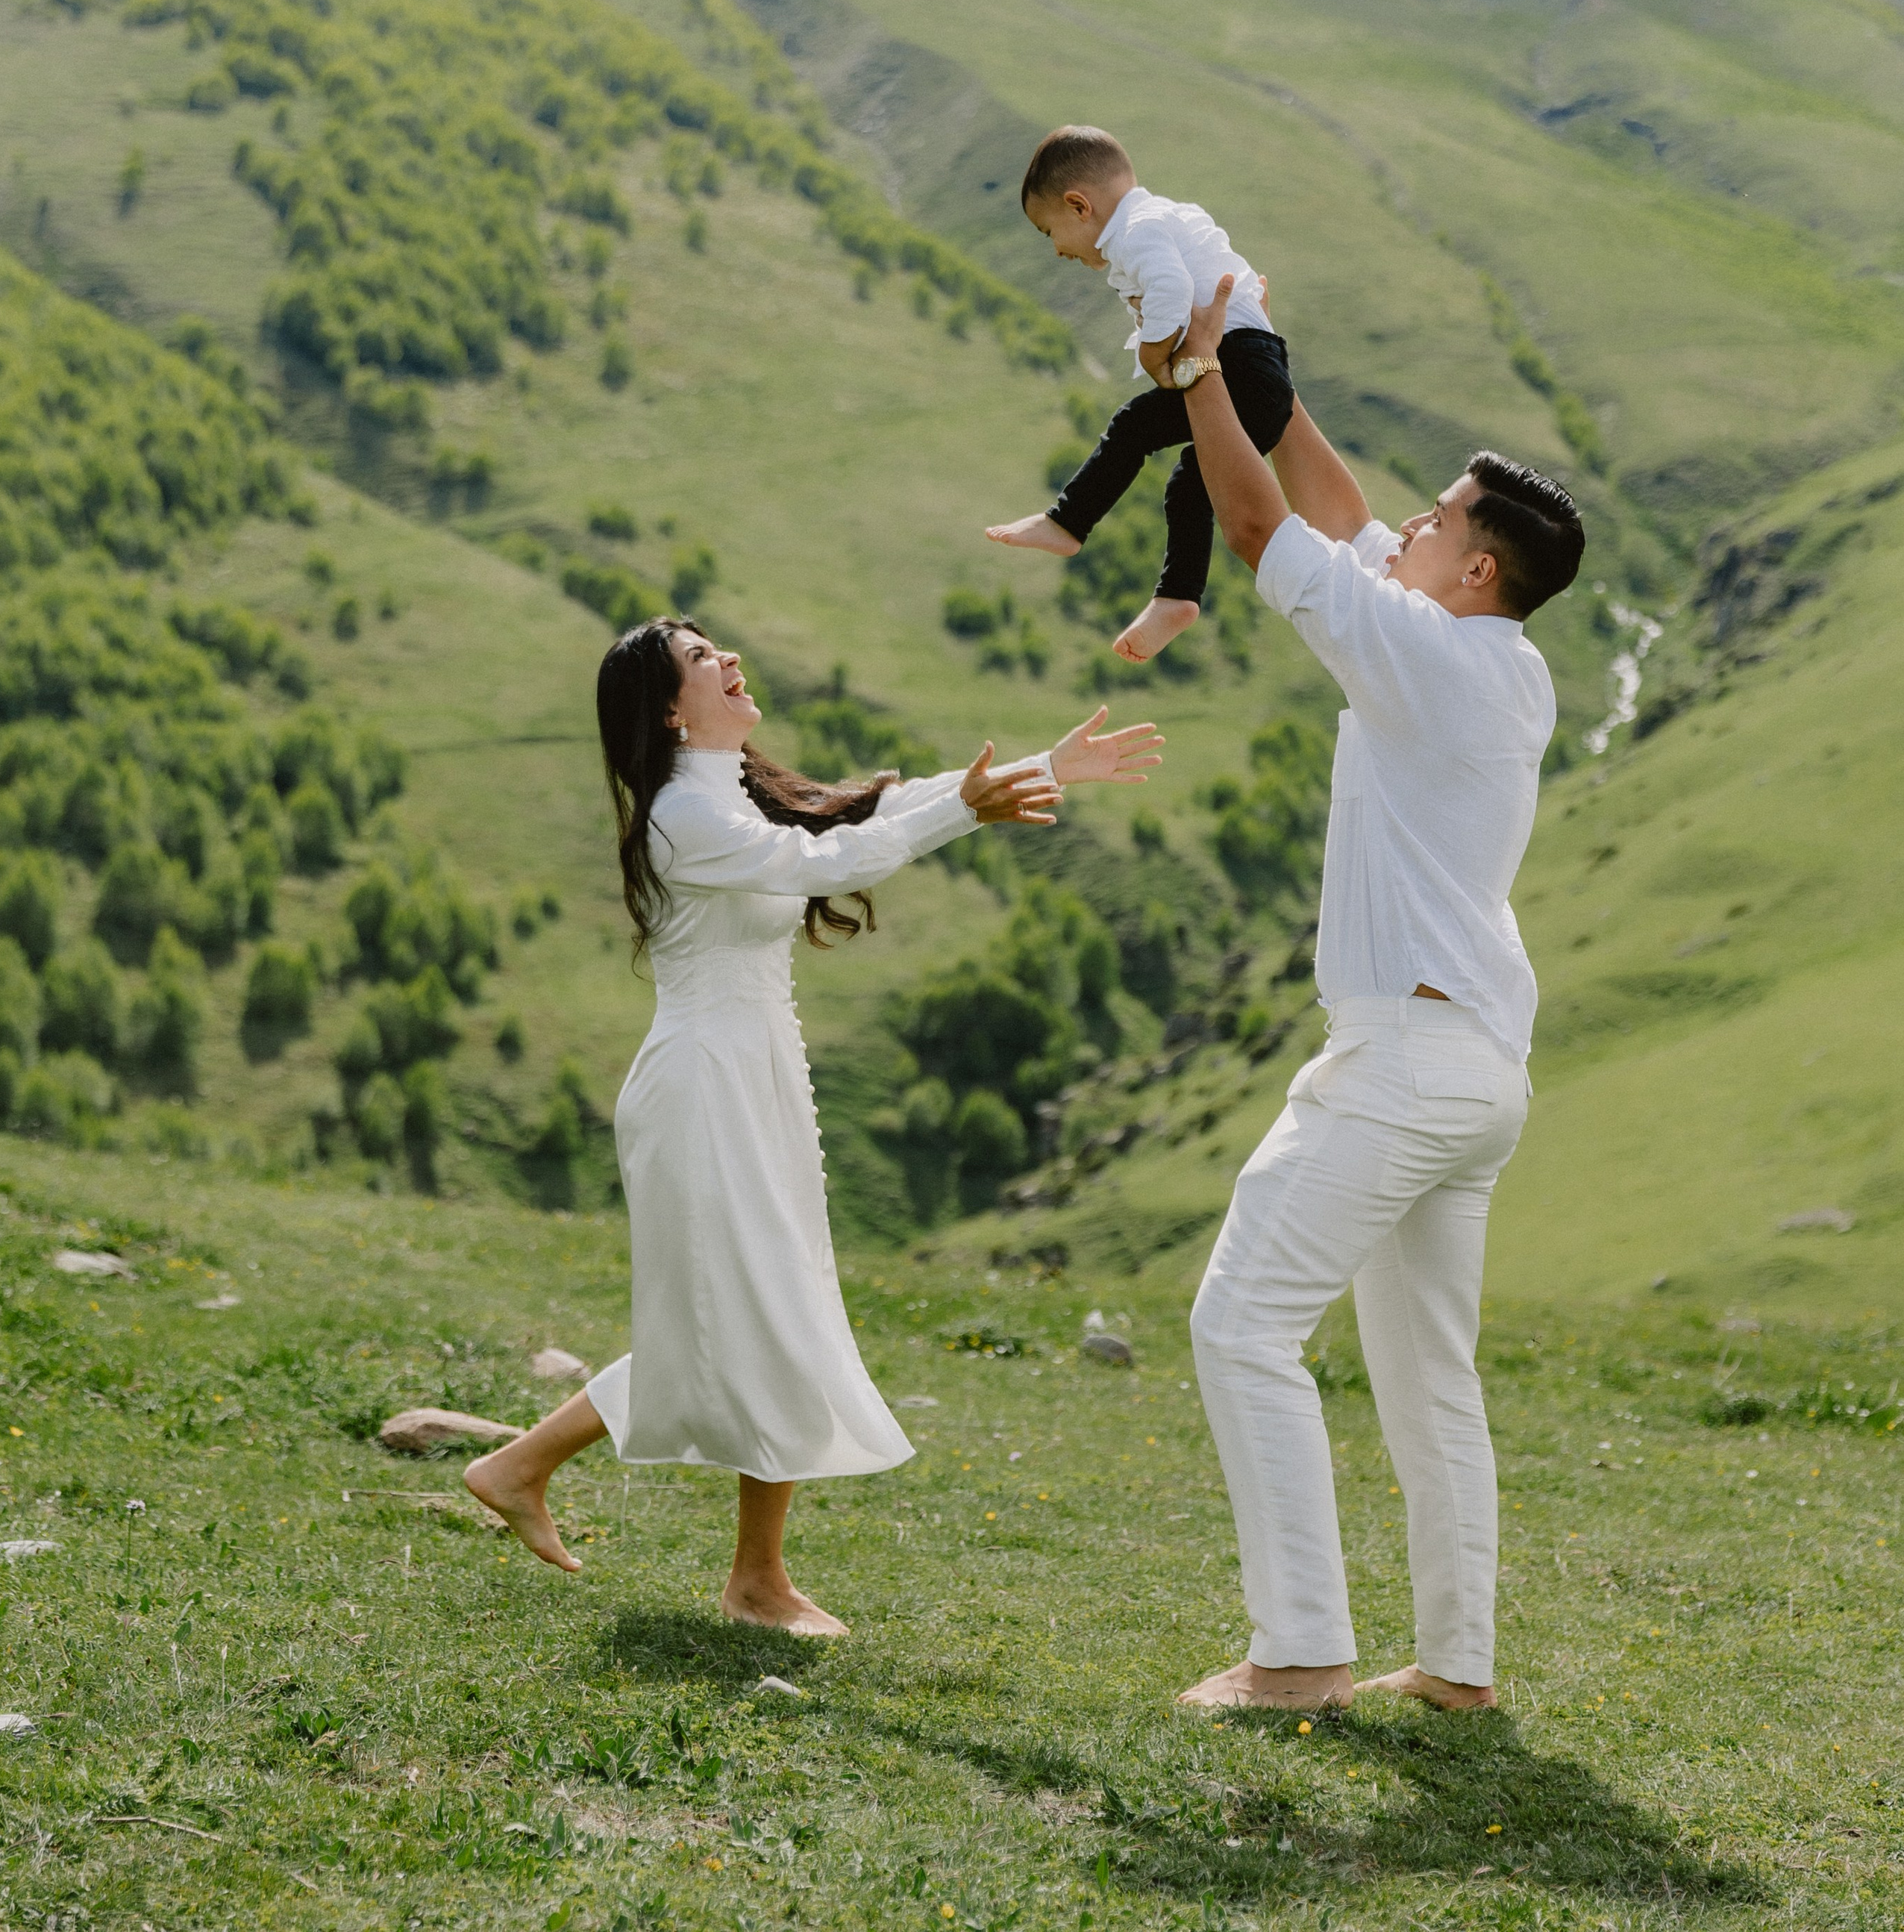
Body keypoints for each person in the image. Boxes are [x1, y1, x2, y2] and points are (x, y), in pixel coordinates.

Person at [466, 617, 1163, 1634]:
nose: (731, 661)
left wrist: (1038, 767)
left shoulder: (727, 793)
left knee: (748, 1313)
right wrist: (967, 812)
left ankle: (528, 1471)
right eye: (705, 661)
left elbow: (856, 814)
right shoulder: (682, 816)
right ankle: (749, 1580)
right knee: (762, 1313)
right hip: (703, 1091)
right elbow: (828, 862)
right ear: (671, 710)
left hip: (751, 1081)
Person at [1159, 278, 1582, 1717]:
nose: (1410, 523)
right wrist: (1264, 365)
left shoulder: (1414, 649)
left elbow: (1269, 528)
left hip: (1405, 1058)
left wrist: (1204, 383)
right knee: (1429, 1387)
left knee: (1241, 1324)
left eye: (1439, 521)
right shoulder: (1502, 659)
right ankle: (1455, 1670)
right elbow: (1341, 514)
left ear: (1474, 569)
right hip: (1478, 1075)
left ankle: (1300, 1653)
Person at [984, 125, 1292, 663]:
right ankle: (1177, 598)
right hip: (1261, 377)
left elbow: (1172, 290)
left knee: (1133, 428)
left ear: (1079, 206)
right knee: (1190, 485)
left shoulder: (1138, 231)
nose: (1056, 249)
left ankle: (1068, 521)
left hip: (1242, 366)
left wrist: (1155, 359)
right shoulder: (1159, 219)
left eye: (1048, 231)